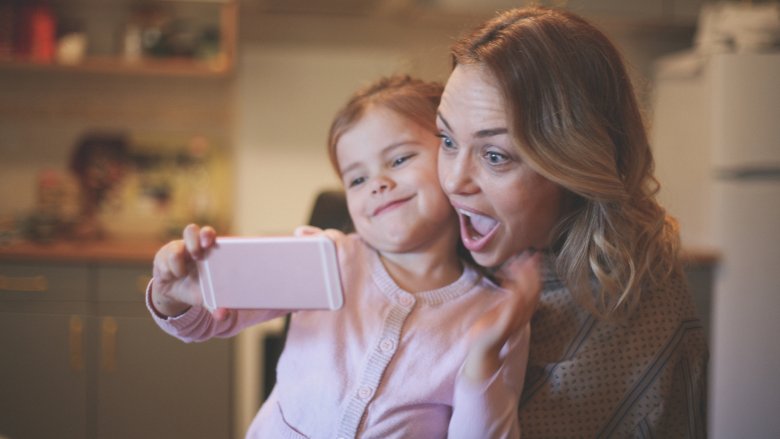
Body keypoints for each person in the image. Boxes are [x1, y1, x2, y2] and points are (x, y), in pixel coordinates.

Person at [147, 75, 539, 438]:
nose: (378, 185)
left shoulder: (497, 314)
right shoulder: (326, 257)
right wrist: (175, 296)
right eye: (357, 179)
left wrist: (484, 357)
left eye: (399, 159)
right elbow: (211, 321)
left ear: (450, 158)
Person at [434, 6, 708, 438]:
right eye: (447, 140)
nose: (452, 181)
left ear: (572, 164)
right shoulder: (426, 259)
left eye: (495, 156)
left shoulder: (639, 307)